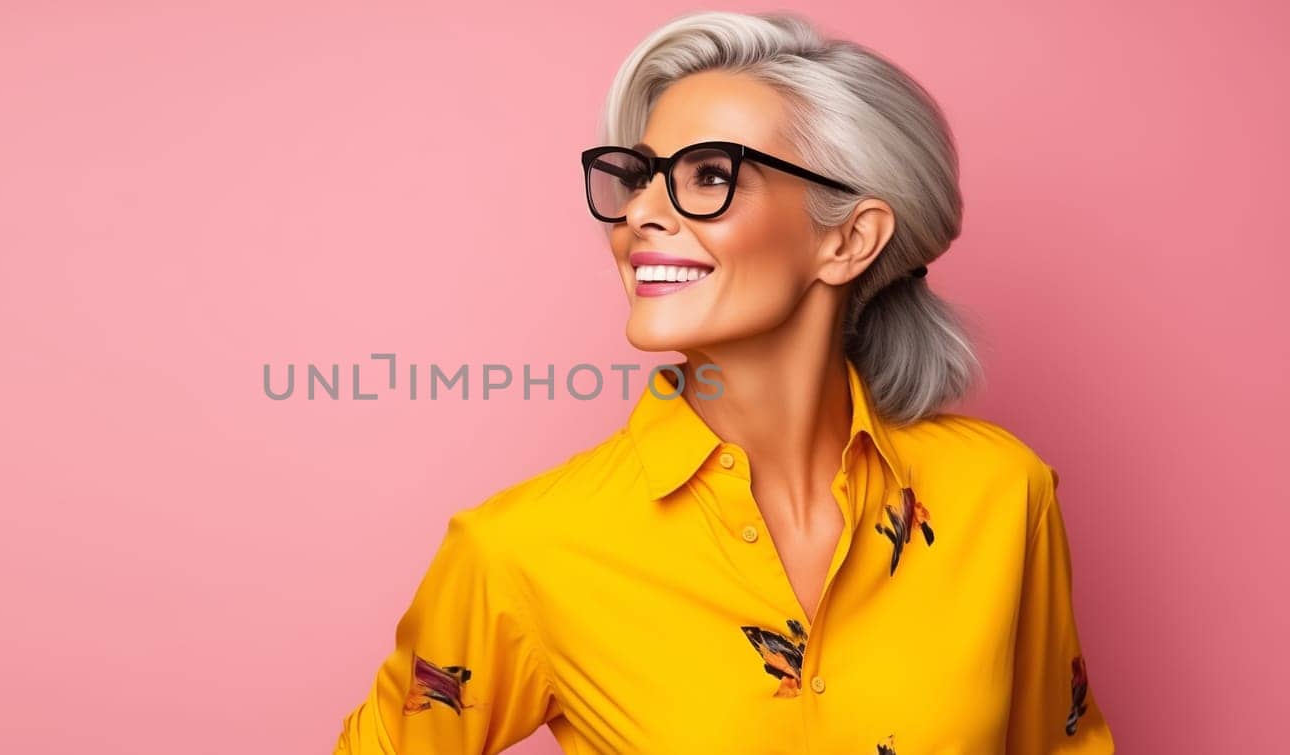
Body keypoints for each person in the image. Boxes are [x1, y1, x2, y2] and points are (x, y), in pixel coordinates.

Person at [333, 9, 1113, 753]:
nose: (638, 212)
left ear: (848, 239)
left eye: (709, 174)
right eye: (637, 178)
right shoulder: (521, 551)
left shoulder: (1004, 495)